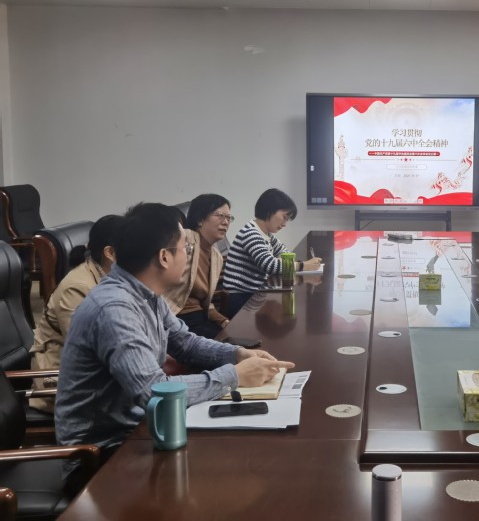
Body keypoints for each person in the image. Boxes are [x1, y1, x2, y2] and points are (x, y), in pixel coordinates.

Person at [56, 203, 294, 468]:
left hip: (146, 428)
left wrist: (237, 355)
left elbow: (186, 343)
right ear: (164, 257)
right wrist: (235, 376)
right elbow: (153, 392)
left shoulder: (146, 293)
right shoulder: (114, 309)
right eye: (185, 249)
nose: (188, 256)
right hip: (104, 454)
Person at [28, 215, 124, 413]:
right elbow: (86, 350)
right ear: (110, 253)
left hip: (96, 372)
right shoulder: (78, 287)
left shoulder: (113, 277)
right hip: (60, 377)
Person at [222, 188, 322, 317]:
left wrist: (288, 262)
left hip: (253, 295)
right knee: (287, 310)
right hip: (240, 299)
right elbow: (270, 265)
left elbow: (286, 255)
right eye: (284, 217)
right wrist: (304, 265)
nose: (285, 224)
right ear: (269, 210)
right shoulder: (251, 233)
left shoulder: (266, 234)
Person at [164, 194, 232, 339]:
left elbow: (206, 303)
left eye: (228, 218)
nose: (226, 222)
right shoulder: (184, 239)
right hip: (174, 317)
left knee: (236, 339)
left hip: (199, 317)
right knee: (229, 345)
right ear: (200, 219)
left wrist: (223, 321)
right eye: (220, 216)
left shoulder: (217, 257)